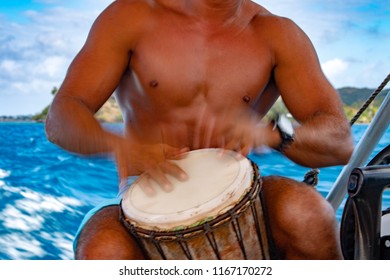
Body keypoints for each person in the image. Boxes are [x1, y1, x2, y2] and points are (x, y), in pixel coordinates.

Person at [45, 0, 353, 260]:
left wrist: (270, 132)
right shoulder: (130, 16)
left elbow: (340, 141)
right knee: (103, 251)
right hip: (142, 196)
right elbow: (62, 115)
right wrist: (120, 145)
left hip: (241, 194)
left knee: (309, 213)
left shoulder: (277, 33)